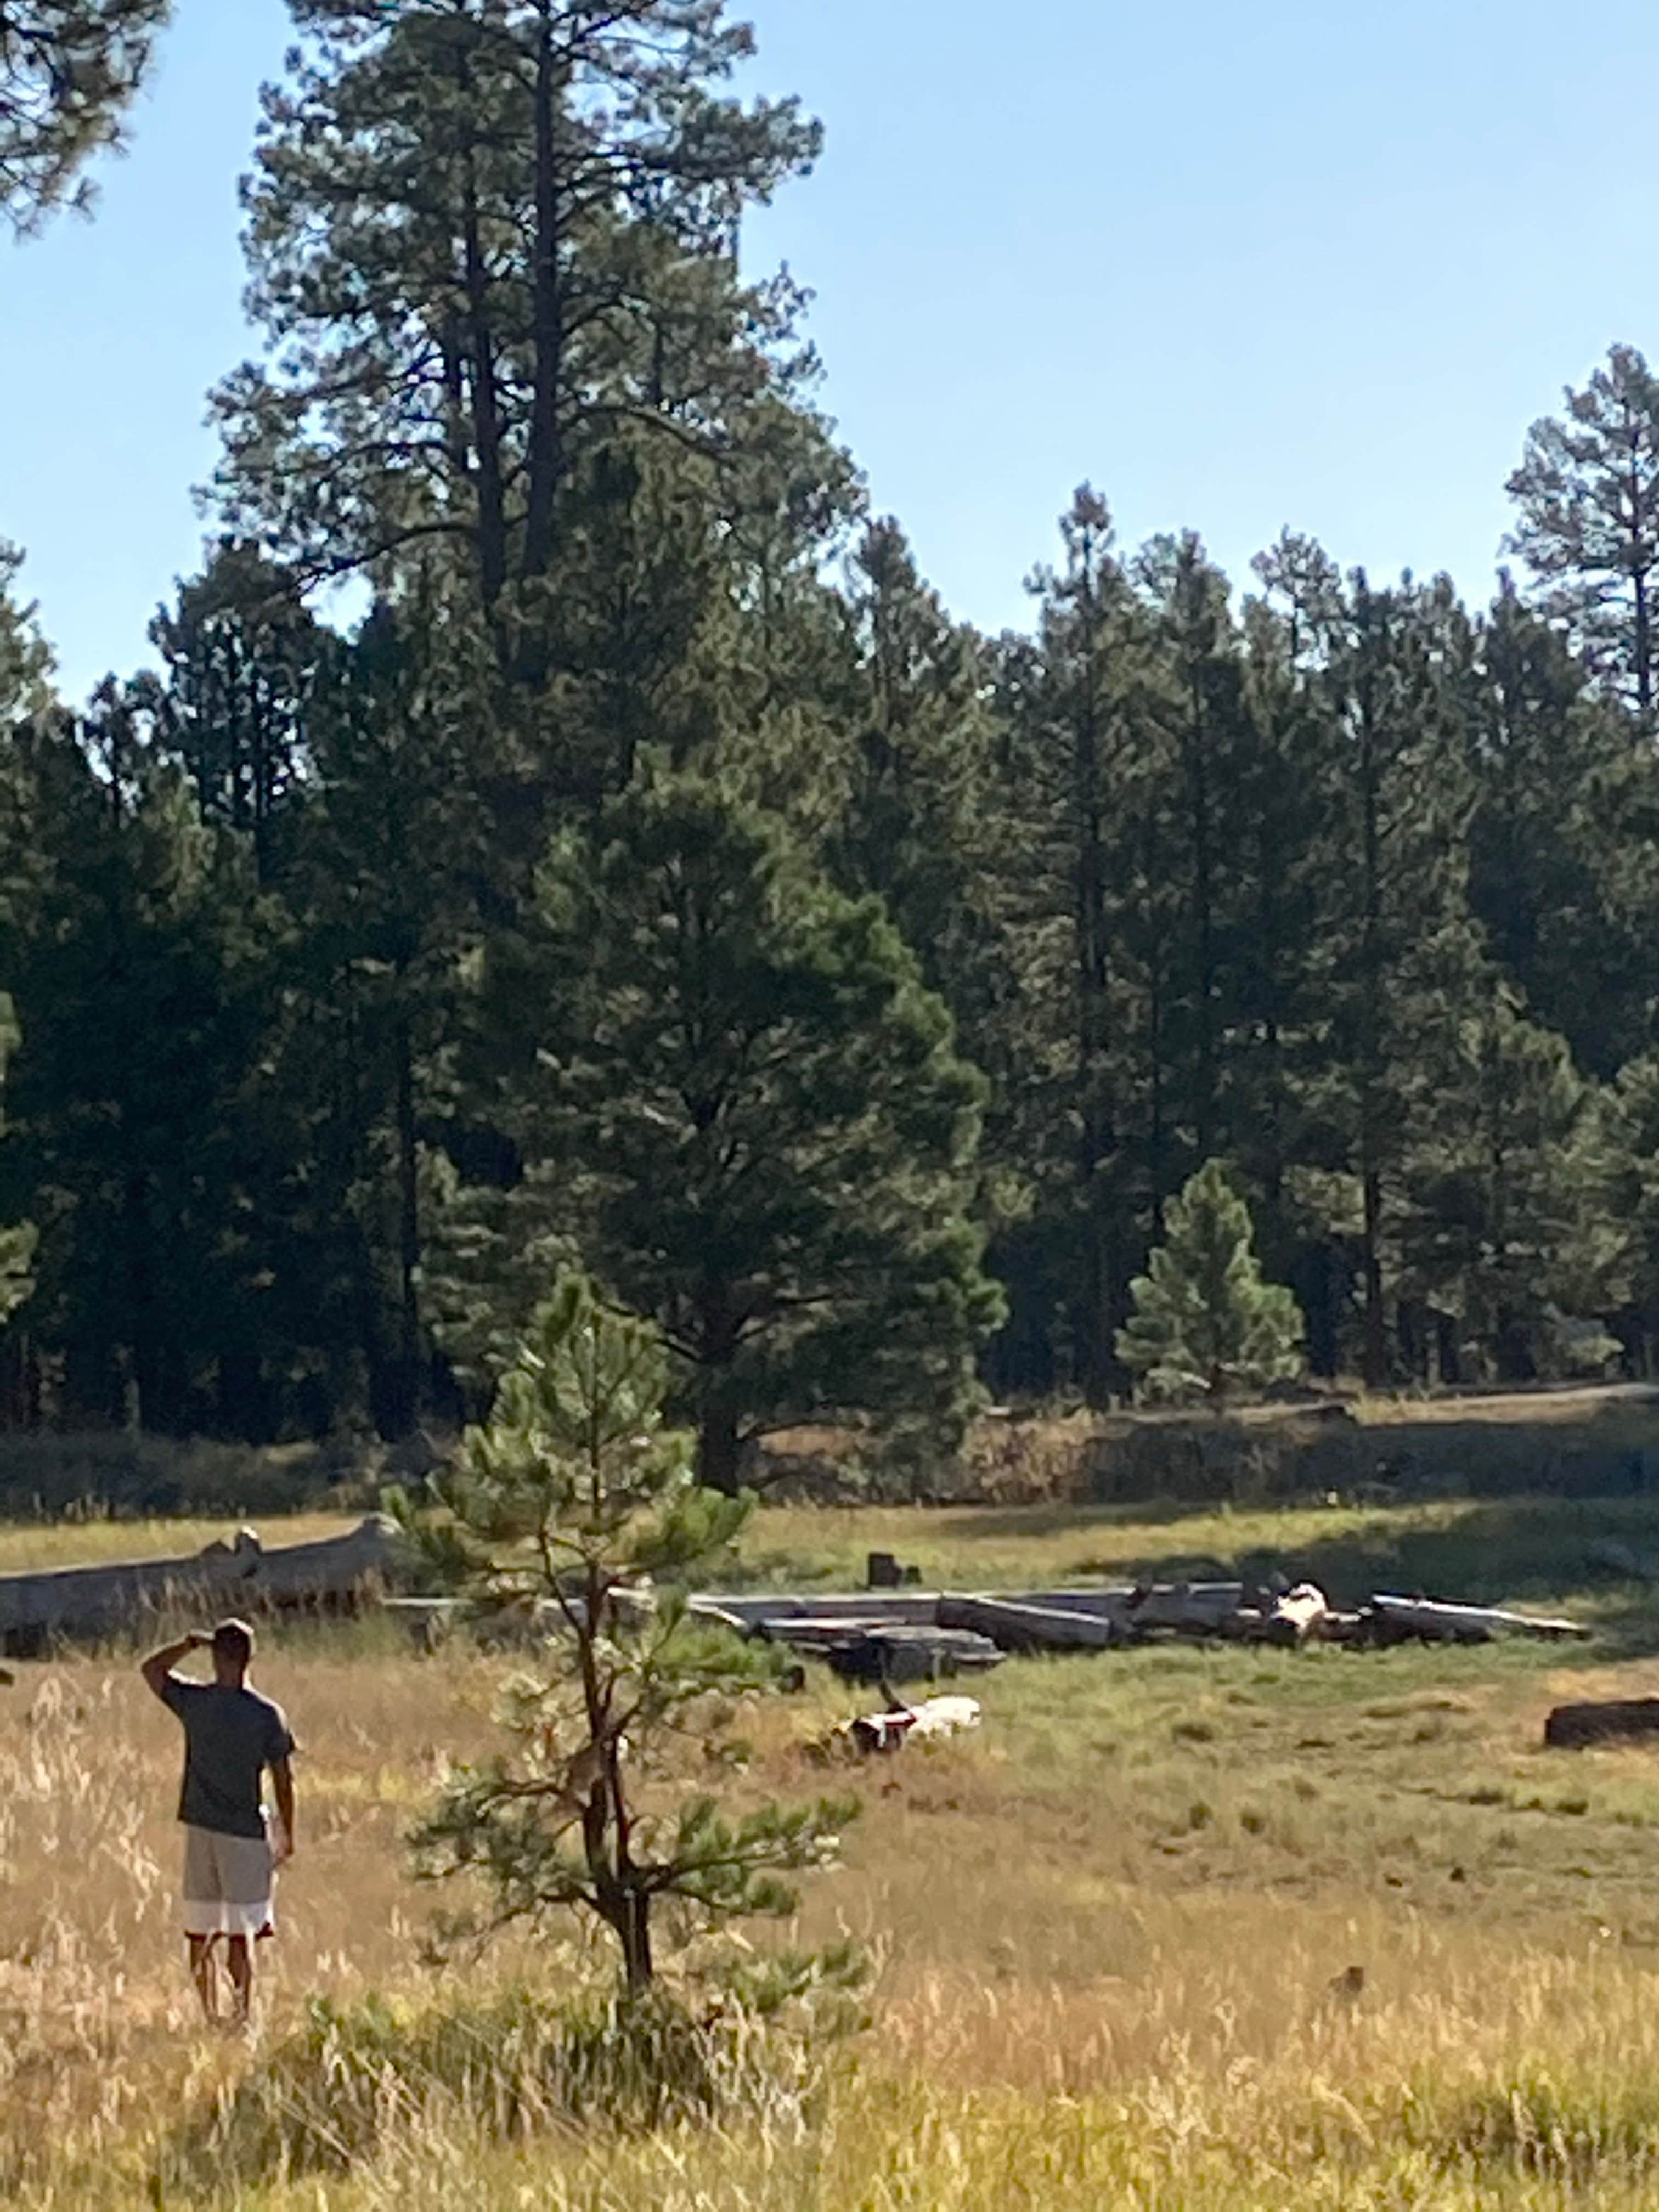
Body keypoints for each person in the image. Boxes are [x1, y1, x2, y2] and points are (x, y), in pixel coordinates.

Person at [140, 1618, 296, 2027]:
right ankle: (242, 2014)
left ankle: (210, 2015)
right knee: (241, 1934)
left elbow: (151, 1670)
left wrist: (187, 1644)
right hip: (245, 1834)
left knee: (201, 1928)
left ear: (215, 1655)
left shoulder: (197, 1703)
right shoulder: (266, 1715)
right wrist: (286, 1831)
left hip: (200, 1829)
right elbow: (283, 1778)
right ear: (250, 1659)